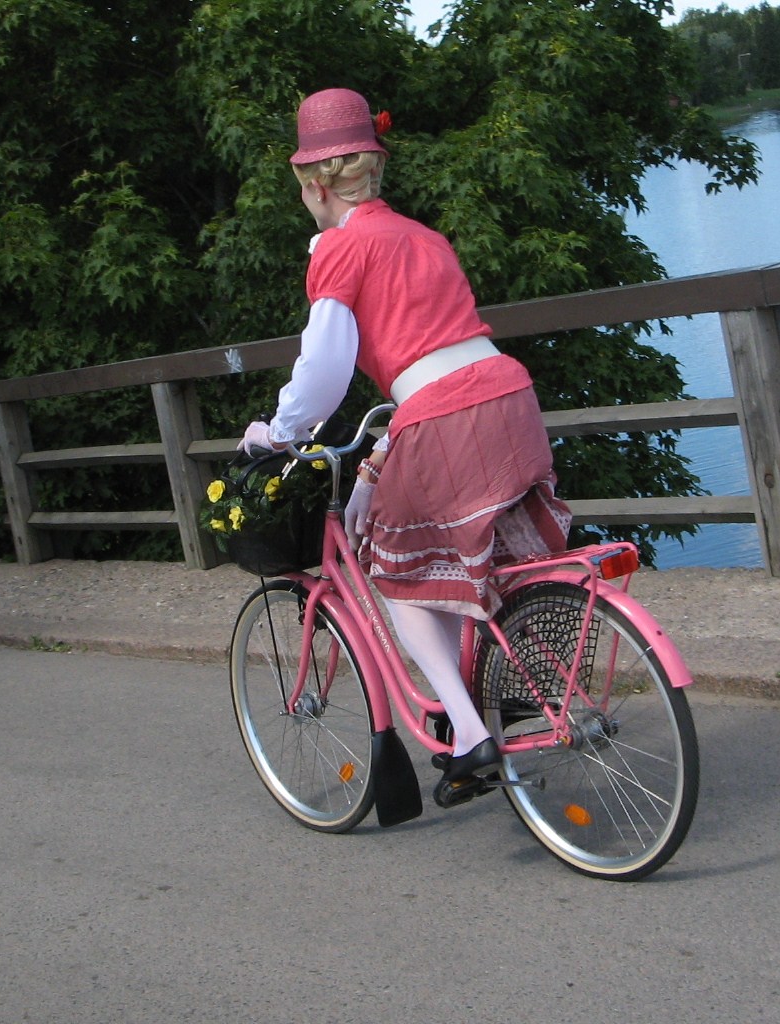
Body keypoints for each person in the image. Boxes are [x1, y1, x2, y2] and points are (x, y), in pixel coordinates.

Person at [240, 88, 571, 793]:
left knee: (397, 574)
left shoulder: (341, 247)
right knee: (442, 554)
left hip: (447, 416)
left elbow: (324, 369)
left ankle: (471, 736)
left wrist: (281, 430)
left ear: (313, 184)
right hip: (507, 396)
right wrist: (376, 464)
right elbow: (437, 361)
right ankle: (472, 705)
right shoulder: (423, 237)